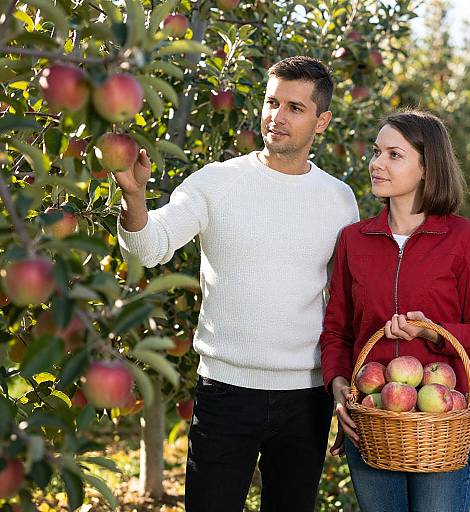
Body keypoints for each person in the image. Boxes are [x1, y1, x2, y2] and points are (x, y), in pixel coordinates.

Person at [115, 56, 359, 512]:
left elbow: (344, 302)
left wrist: (348, 382)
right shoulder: (217, 182)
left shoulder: (339, 199)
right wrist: (133, 196)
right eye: (271, 102)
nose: (277, 116)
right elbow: (149, 248)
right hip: (225, 392)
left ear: (321, 120)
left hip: (306, 397)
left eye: (294, 107)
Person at [320, 109, 470, 512]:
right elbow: (337, 330)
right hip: (373, 422)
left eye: (393, 154)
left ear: (426, 168)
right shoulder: (354, 240)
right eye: (376, 151)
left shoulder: (465, 238)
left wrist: (433, 332)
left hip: (441, 426)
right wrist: (337, 384)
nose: (376, 163)